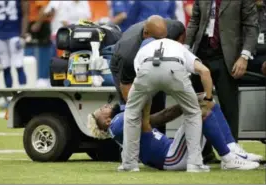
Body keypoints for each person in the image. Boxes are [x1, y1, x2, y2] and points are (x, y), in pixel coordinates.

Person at [120, 30, 217, 172]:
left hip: (147, 68)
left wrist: (145, 117)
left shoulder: (142, 51)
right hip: (175, 68)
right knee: (193, 112)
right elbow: (205, 72)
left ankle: (129, 164)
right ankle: (195, 163)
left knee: (131, 113)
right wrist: (208, 99)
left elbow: (144, 91)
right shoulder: (179, 47)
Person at [87, 100, 262, 171]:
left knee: (209, 104)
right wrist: (184, 102)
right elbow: (156, 118)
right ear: (106, 122)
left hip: (171, 150)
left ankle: (233, 151)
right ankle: (228, 160)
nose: (105, 106)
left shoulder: (120, 119)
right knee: (201, 113)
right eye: (102, 110)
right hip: (171, 158)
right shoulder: (117, 125)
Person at [185, 0, 259, 163]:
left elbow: (251, 27)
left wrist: (244, 56)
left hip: (227, 56)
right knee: (198, 104)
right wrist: (185, 50)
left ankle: (233, 155)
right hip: (201, 54)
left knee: (229, 106)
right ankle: (203, 154)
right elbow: (194, 21)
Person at [110, 15, 186, 135]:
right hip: (124, 68)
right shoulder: (128, 54)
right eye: (158, 40)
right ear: (146, 34)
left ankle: (159, 144)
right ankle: (130, 148)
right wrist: (143, 118)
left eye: (164, 39)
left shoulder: (173, 28)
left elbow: (181, 39)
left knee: (158, 108)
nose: (161, 43)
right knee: (132, 114)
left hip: (154, 62)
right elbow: (128, 91)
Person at [0, 0, 28, 88]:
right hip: (13, 34)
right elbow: (25, 14)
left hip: (2, 34)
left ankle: (12, 93)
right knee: (16, 64)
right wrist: (23, 34)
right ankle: (21, 90)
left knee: (7, 65)